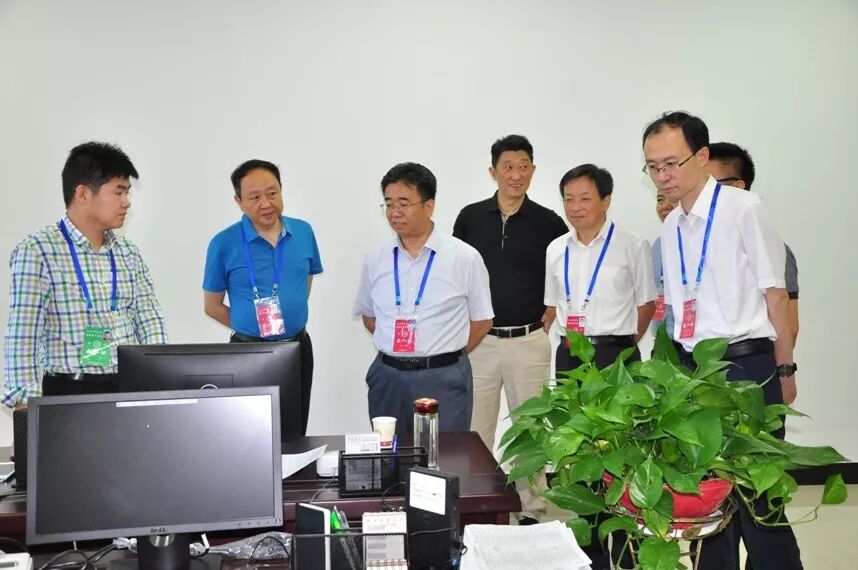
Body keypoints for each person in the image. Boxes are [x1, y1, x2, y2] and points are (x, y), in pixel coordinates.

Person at [643, 111, 801, 569]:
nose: (662, 176)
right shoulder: (671, 226)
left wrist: (785, 369)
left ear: (701, 156)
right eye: (652, 167)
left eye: (671, 163)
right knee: (707, 501)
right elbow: (678, 312)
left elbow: (776, 295)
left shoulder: (743, 209)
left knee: (758, 498)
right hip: (695, 371)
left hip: (747, 368)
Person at [452, 135, 567, 523]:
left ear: (533, 170)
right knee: (475, 431)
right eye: (508, 167)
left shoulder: (549, 222)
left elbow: (561, 274)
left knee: (529, 430)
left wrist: (552, 310)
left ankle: (532, 509)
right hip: (481, 343)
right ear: (493, 171)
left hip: (528, 341)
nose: (516, 175)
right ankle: (478, 507)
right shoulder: (470, 218)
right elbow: (456, 275)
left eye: (523, 167)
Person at [3, 141, 167, 407]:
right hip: (67, 392)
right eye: (119, 192)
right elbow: (23, 335)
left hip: (127, 390)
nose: (127, 203)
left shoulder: (128, 252)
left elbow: (150, 319)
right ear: (83, 194)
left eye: (127, 193)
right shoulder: (39, 250)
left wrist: (159, 381)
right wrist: (25, 407)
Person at [353, 162, 493, 432]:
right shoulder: (375, 259)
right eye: (389, 204)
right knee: (389, 452)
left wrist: (444, 355)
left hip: (443, 379)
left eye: (404, 203)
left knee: (445, 453)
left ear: (429, 206)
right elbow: (370, 317)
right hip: (388, 377)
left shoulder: (464, 257)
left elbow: (482, 321)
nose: (395, 212)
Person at [203, 159, 322, 435]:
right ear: (239, 201)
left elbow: (305, 279)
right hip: (248, 353)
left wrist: (288, 316)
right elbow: (212, 306)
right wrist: (252, 328)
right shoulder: (223, 243)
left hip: (297, 347)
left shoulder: (303, 232)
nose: (266, 203)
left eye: (272, 193)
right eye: (254, 197)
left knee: (295, 430)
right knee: (249, 435)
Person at [545, 163, 656, 371]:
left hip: (616, 353)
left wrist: (625, 346)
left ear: (606, 202)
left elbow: (647, 304)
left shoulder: (633, 245)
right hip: (569, 354)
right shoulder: (555, 248)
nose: (575, 207)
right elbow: (552, 304)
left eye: (585, 199)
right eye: (569, 199)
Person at [707, 141, 799, 346]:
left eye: (709, 186)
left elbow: (790, 326)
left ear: (738, 188)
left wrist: (782, 364)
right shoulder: (694, 245)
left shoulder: (771, 248)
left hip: (750, 358)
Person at [649, 189, 678, 338]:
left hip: (696, 342)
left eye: (673, 199)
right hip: (663, 341)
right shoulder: (656, 246)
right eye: (660, 199)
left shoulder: (698, 242)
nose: (665, 205)